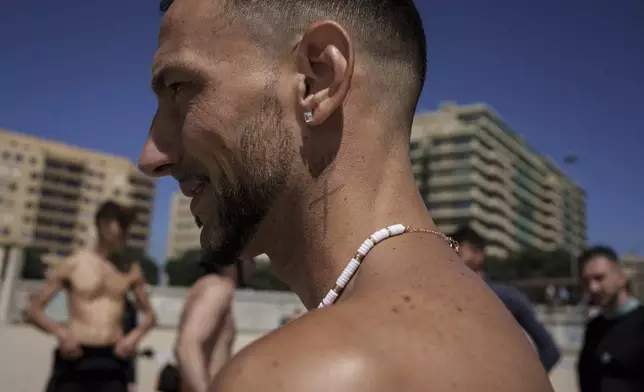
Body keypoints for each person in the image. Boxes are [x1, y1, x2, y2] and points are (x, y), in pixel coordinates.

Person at [138, 0, 553, 391]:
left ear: (317, 79)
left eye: (179, 88)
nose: (151, 156)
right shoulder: (499, 337)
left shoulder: (302, 376)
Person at [26, 200, 156, 392]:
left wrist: (133, 337)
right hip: (76, 356)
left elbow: (150, 316)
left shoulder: (131, 269)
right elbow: (33, 310)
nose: (127, 232)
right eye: (122, 224)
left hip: (114, 360)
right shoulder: (73, 264)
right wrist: (61, 333)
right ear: (103, 225)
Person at [450, 226, 561, 373]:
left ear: (479, 255)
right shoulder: (447, 297)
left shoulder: (506, 297)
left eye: (458, 249)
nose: (452, 254)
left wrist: (528, 384)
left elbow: (550, 351)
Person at [577, 246, 644, 392]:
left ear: (621, 277)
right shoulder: (594, 328)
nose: (593, 287)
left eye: (599, 278)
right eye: (586, 281)